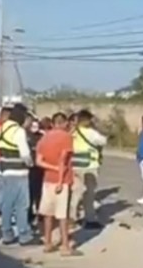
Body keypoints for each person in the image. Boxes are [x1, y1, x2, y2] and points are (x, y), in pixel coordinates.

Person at [36, 112, 81, 256]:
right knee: (62, 214)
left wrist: (52, 168)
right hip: (62, 180)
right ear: (64, 123)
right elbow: (63, 160)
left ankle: (48, 243)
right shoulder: (66, 137)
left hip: (47, 179)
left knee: (48, 213)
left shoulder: (44, 138)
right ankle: (65, 246)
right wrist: (60, 179)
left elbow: (39, 161)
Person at [0, 103, 36, 246]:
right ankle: (24, 234)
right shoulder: (18, 131)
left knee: (7, 204)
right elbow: (25, 154)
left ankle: (7, 233)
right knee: (22, 205)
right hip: (19, 172)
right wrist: (31, 163)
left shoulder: (1, 129)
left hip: (5, 171)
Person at [71, 109, 107, 230]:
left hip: (75, 165)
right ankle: (90, 218)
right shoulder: (90, 132)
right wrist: (97, 127)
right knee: (89, 193)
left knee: (76, 192)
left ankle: (72, 217)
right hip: (89, 167)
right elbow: (103, 141)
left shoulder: (73, 132)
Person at [26, 117, 45, 228]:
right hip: (30, 168)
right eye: (32, 125)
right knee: (30, 193)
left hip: (40, 167)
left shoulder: (42, 136)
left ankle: (40, 213)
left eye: (36, 125)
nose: (34, 128)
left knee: (39, 193)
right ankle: (29, 214)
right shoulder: (25, 136)